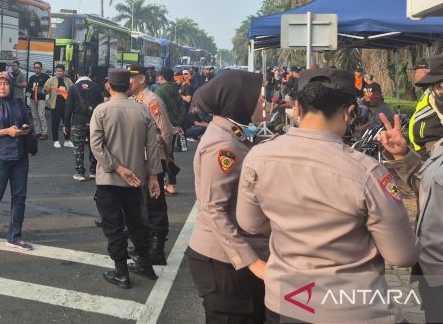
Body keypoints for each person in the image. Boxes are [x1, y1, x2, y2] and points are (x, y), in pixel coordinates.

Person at [236, 68, 419, 323]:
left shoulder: (258, 156)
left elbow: (249, 223)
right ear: (349, 112)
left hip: (286, 304)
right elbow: (402, 255)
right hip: (355, 310)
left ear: (297, 109)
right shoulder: (367, 172)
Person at [186, 69, 268, 324]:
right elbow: (213, 209)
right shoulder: (223, 146)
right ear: (239, 101)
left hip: (232, 258)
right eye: (259, 96)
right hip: (222, 261)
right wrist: (252, 263)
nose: (264, 101)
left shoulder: (235, 134)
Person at [380, 63, 443, 322]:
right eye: (437, 88)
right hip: (432, 273)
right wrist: (403, 156)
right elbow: (432, 185)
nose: (436, 95)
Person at [90, 68, 162, 289]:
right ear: (129, 86)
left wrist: (117, 168)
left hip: (110, 181)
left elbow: (96, 146)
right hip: (137, 179)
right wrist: (153, 176)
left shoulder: (101, 111)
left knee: (113, 226)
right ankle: (145, 264)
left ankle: (121, 272)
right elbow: (153, 146)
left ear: (108, 86)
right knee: (137, 223)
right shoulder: (142, 111)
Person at [0, 71, 36, 249]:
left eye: (6, 84)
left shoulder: (18, 103)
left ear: (11, 86)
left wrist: (26, 128)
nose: (3, 87)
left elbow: (29, 122)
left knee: (19, 197)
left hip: (20, 157)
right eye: (0, 84)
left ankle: (14, 235)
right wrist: (6, 132)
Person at [128, 65, 173, 265]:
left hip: (153, 156)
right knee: (138, 203)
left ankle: (157, 248)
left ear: (142, 79)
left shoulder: (152, 100)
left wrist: (165, 155)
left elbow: (166, 131)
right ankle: (143, 245)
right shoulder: (130, 100)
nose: (128, 82)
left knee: (154, 202)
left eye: (132, 78)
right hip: (136, 157)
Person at [63, 68, 104, 181]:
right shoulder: (96, 87)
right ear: (88, 74)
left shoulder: (73, 88)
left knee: (78, 147)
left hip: (78, 121)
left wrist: (66, 125)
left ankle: (80, 172)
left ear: (77, 75)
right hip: (94, 122)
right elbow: (101, 105)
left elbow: (69, 108)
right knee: (94, 146)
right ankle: (93, 171)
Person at [155, 67, 187, 195]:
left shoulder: (159, 91)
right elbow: (182, 108)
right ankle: (171, 184)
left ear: (161, 77)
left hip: (164, 126)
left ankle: (168, 183)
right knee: (169, 153)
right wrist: (177, 122)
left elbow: (162, 111)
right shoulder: (176, 89)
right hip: (176, 127)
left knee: (163, 155)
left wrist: (170, 121)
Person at [409, 56, 443, 155]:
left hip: (435, 146)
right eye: (437, 87)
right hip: (428, 148)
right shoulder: (430, 93)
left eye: (416, 71)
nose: (414, 74)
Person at [44, 64, 74, 148]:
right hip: (55, 105)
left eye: (60, 71)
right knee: (55, 124)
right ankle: (56, 140)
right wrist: (46, 89)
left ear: (64, 72)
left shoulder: (68, 80)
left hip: (66, 106)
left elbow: (73, 91)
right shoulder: (51, 80)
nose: (58, 73)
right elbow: (44, 91)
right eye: (57, 71)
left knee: (67, 123)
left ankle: (67, 140)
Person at [27, 62, 49, 140]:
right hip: (32, 98)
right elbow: (28, 87)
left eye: (38, 68)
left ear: (41, 69)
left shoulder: (45, 76)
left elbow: (49, 86)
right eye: (35, 67)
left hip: (41, 99)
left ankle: (44, 133)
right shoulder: (32, 77)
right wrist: (30, 90)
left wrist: (44, 90)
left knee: (41, 116)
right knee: (35, 116)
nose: (36, 69)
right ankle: (38, 132)